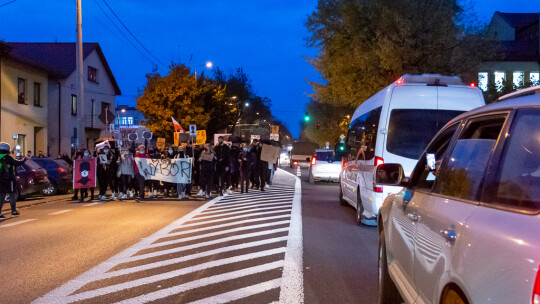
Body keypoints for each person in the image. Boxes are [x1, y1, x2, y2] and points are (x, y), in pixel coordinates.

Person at [0, 142, 26, 218]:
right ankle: (14, 212)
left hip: (0, 180)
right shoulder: (7, 157)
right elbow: (16, 163)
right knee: (12, 195)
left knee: (1, 196)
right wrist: (24, 159)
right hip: (9, 179)